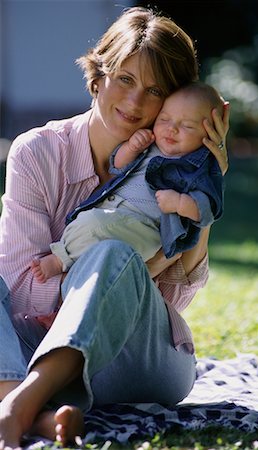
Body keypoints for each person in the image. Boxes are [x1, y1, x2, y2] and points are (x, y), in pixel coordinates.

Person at [0, 6, 229, 448]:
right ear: (99, 73)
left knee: (112, 253)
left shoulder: (174, 165)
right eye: (125, 79)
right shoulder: (37, 154)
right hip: (37, 346)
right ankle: (29, 412)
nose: (136, 103)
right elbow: (21, 289)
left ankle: (18, 402)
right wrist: (120, 263)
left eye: (156, 90)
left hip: (139, 363)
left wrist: (206, 199)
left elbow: (170, 300)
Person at [31, 82, 225, 283]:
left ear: (209, 134)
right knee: (87, 227)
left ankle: (59, 260)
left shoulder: (198, 168)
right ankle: (69, 290)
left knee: (95, 227)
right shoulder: (151, 145)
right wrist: (132, 148)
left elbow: (207, 209)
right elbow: (117, 166)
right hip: (113, 212)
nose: (172, 129)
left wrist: (179, 203)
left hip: (145, 229)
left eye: (187, 126)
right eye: (165, 119)